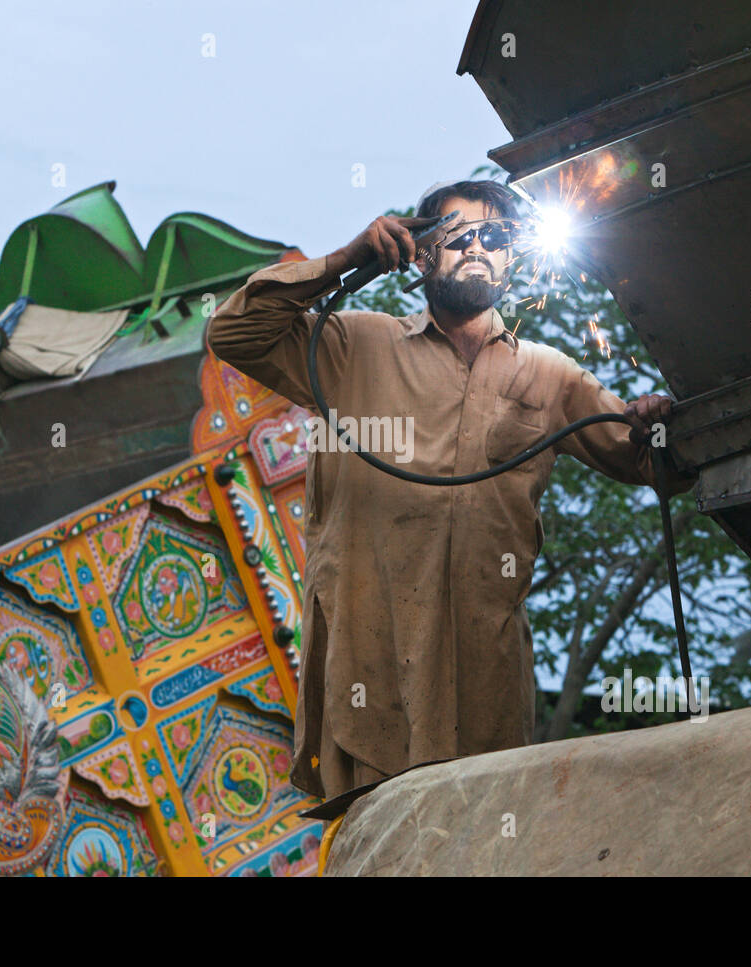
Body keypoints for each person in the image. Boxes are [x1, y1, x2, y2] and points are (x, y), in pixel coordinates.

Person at [208, 180, 696, 800]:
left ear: (512, 260)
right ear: (418, 253)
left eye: (493, 238)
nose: (476, 248)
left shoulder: (549, 375)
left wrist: (654, 425)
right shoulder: (355, 346)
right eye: (456, 235)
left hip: (483, 691)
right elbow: (234, 334)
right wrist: (345, 260)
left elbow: (654, 467)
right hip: (372, 682)